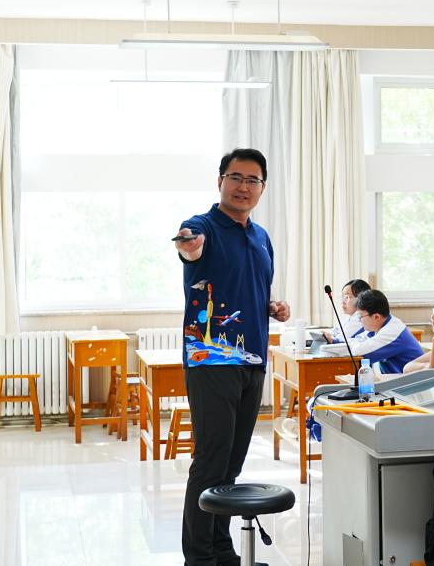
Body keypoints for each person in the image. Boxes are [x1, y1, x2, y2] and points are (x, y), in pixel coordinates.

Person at [173, 148, 291, 566]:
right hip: (211, 363)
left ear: (262, 187)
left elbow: (248, 288)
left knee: (232, 465)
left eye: (252, 180)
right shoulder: (202, 227)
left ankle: (222, 549)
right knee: (211, 461)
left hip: (253, 361)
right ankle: (199, 557)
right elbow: (189, 247)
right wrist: (188, 247)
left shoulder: (261, 237)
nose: (244, 187)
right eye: (236, 178)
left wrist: (272, 307)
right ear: (220, 181)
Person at [320, 289, 423, 373]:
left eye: (361, 316)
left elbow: (358, 351)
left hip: (409, 384)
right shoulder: (380, 325)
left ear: (376, 317)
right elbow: (357, 340)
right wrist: (336, 341)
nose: (360, 321)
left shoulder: (392, 332)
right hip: (394, 380)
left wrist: (354, 344)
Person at [325, 278, 370, 343]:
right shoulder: (348, 317)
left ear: (361, 299)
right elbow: (334, 332)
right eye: (342, 296)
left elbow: (339, 340)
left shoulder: (360, 318)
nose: (343, 301)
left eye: (347, 297)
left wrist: (330, 338)